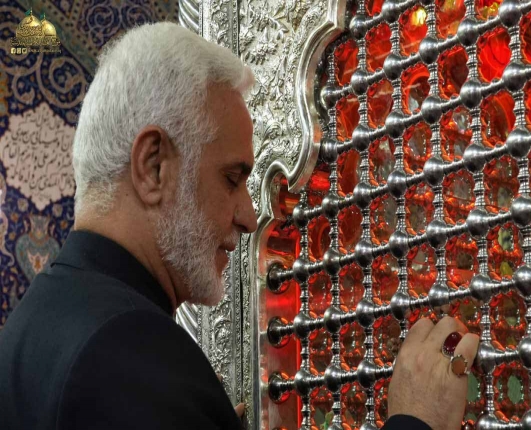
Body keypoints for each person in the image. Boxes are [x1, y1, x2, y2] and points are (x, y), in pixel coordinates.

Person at [0, 22, 479, 430]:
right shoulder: (129, 354)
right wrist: (416, 419)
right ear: (153, 167)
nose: (250, 216)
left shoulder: (33, 325)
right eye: (231, 178)